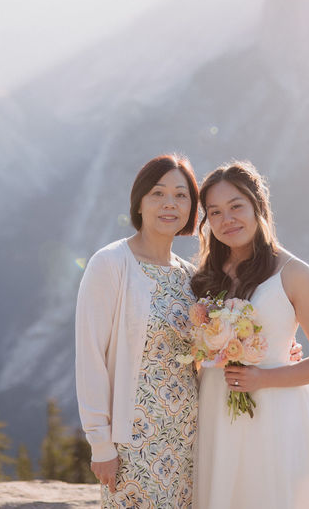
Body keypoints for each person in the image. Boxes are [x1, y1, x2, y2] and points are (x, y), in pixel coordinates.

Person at [191, 161, 309, 509]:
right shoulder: (205, 276)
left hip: (277, 413)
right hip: (215, 412)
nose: (227, 220)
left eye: (236, 206)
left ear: (258, 206)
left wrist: (263, 377)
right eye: (215, 212)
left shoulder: (294, 273)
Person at [75, 154, 201, 508]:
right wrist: (100, 444)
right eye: (158, 193)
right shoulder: (111, 263)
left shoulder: (191, 278)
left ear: (192, 208)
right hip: (133, 442)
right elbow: (90, 356)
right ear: (140, 202)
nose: (169, 204)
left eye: (181, 195)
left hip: (188, 438)